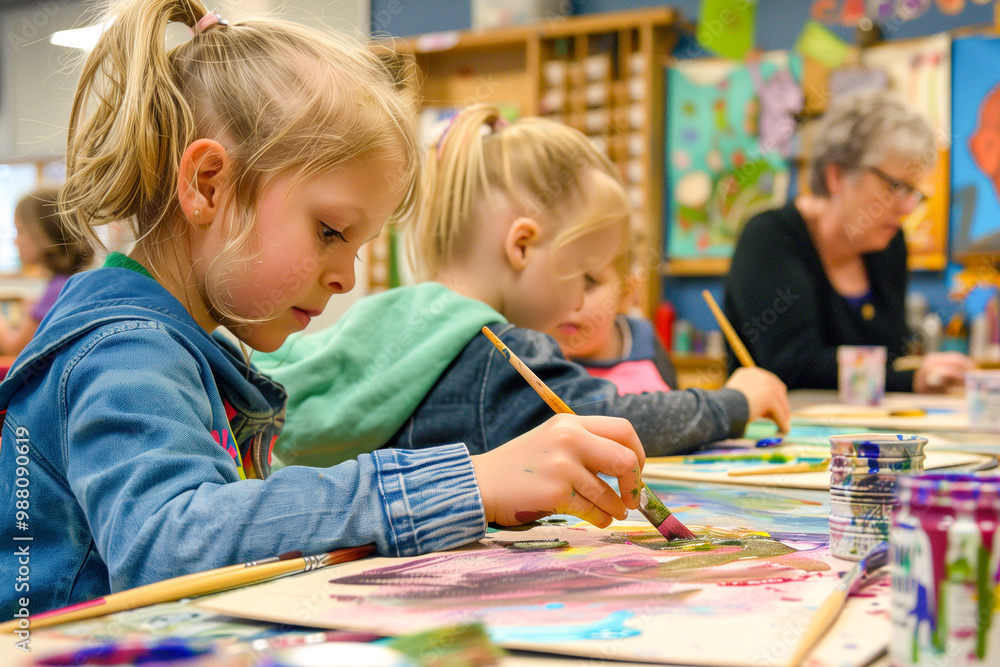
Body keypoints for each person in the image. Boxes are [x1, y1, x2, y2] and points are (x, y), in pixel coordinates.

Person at [0, 1, 648, 619]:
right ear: (207, 185)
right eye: (332, 232)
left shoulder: (194, 344)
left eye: (361, 245)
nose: (347, 276)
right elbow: (171, 543)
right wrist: (467, 482)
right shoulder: (124, 350)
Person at [255, 104, 790, 470]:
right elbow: (616, 425)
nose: (583, 301)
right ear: (523, 246)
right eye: (584, 274)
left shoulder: (393, 316)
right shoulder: (496, 351)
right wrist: (736, 401)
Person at [723, 91, 973, 393]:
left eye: (913, 192)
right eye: (895, 186)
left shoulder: (888, 244)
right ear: (837, 176)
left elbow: (892, 354)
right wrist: (910, 379)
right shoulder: (769, 239)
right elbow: (792, 367)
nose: (908, 207)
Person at [548, 235, 678, 393]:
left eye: (588, 283)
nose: (568, 301)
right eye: (554, 283)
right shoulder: (531, 359)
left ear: (624, 293)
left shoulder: (649, 349)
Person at [0, 187, 92, 355]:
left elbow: (15, 347)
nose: (16, 241)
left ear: (42, 234)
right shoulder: (70, 281)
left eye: (20, 231)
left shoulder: (59, 287)